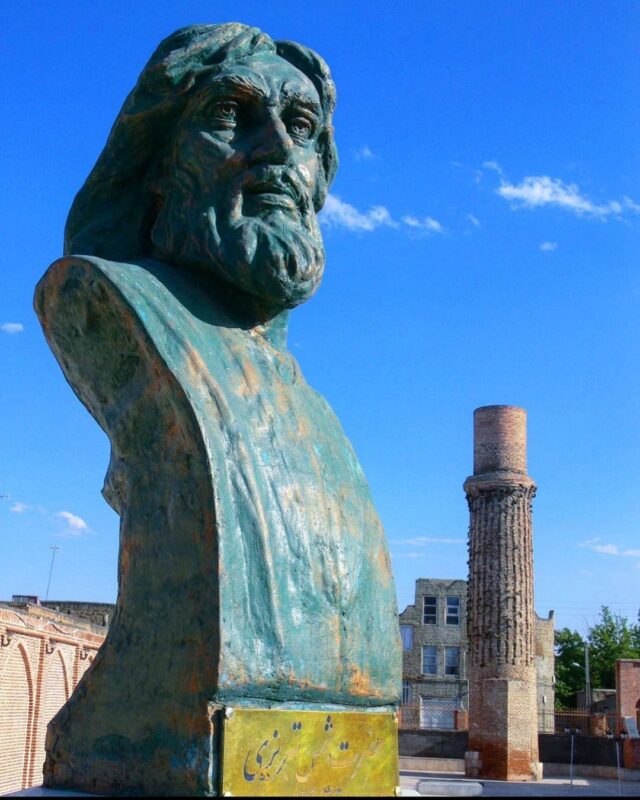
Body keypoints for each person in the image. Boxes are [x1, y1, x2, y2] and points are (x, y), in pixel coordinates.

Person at [36, 24, 400, 795]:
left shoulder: (317, 417)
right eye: (235, 116)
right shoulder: (113, 302)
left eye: (301, 127)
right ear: (162, 165)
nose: (276, 149)